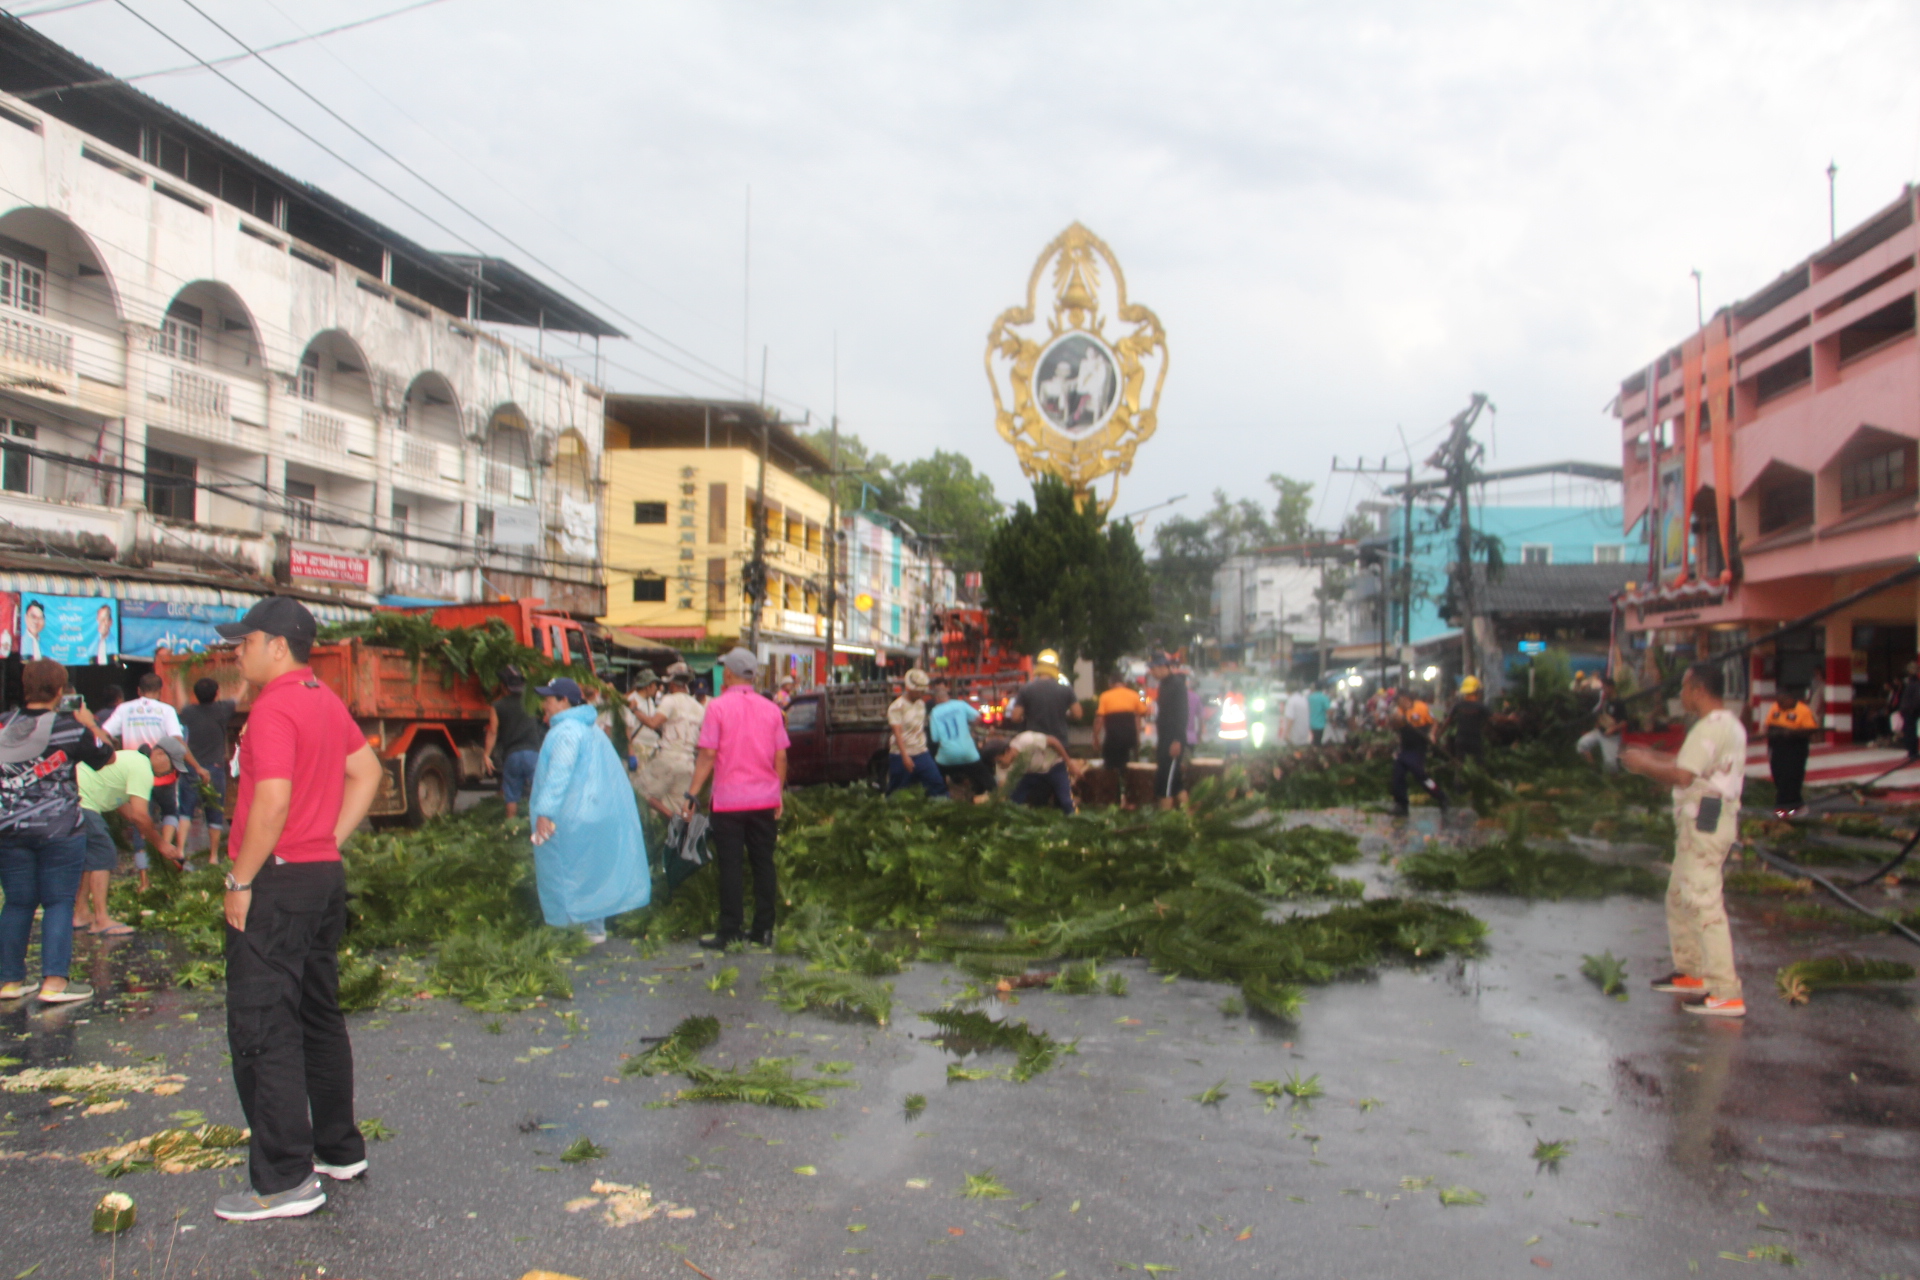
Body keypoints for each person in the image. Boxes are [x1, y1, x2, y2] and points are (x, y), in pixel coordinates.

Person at [208, 596, 384, 1222]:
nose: (237, 652)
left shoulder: (275, 707)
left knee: (263, 1023)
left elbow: (273, 802)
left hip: (277, 881)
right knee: (317, 1012)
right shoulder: (323, 697)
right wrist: (327, 841)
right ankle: (338, 1149)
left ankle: (284, 1179)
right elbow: (370, 773)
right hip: (320, 879)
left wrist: (240, 877)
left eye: (244, 642)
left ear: (276, 645)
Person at [1621, 662, 1749, 1018]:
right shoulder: (1726, 725)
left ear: (1697, 689)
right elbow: (1687, 765)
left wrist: (1641, 766)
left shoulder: (1712, 727)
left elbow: (1681, 775)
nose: (1680, 694)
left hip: (1706, 821)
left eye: (1683, 687)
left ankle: (1725, 990)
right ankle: (1691, 971)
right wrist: (1649, 756)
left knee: (1703, 899)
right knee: (1680, 894)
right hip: (1702, 819)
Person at [0, 659, 115, 1002]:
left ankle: (9, 981)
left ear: (26, 687)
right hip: (60, 829)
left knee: (17, 903)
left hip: (9, 829)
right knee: (58, 902)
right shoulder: (69, 727)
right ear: (61, 690)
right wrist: (89, 724)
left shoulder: (4, 724)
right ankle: (54, 982)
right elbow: (107, 756)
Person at [528, 676, 649, 948]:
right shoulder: (589, 728)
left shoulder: (567, 732)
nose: (543, 704)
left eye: (548, 699)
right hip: (591, 814)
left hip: (567, 818)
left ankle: (568, 931)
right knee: (589, 872)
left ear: (564, 701)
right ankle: (594, 928)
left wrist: (545, 811)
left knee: (565, 872)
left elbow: (560, 773)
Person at [685, 647, 789, 949]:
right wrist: (778, 795)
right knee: (763, 864)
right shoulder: (771, 709)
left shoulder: (717, 708)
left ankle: (730, 930)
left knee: (730, 866)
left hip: (729, 801)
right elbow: (780, 757)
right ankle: (763, 931)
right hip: (764, 800)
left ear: (728, 674)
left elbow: (707, 754)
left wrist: (692, 793)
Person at [74, 748, 169, 933]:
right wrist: (161, 844)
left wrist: (146, 832)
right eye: (171, 765)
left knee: (89, 857)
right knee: (104, 853)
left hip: (74, 794)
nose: (169, 772)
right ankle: (101, 920)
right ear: (158, 754)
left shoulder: (131, 761)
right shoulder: (143, 768)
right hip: (82, 800)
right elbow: (141, 815)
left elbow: (128, 811)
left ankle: (81, 913)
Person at [636, 664, 705, 818]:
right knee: (678, 805)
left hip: (668, 758)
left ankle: (669, 818)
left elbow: (654, 723)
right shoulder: (699, 708)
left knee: (640, 790)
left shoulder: (670, 700)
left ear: (673, 683)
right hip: (688, 762)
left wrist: (635, 711)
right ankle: (677, 828)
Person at [179, 677, 235, 864]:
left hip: (192, 767)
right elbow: (237, 697)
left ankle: (180, 851)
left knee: (185, 811)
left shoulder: (188, 712)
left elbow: (181, 703)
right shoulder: (222, 710)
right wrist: (244, 681)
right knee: (215, 813)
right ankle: (213, 857)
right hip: (215, 769)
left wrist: (178, 680)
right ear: (217, 694)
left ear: (195, 695)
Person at [483, 666, 546, 821]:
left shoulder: (497, 706)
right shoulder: (530, 702)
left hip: (512, 755)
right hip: (533, 753)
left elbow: (493, 732)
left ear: (504, 687)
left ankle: (511, 826)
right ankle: (540, 825)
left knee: (511, 795)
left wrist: (486, 755)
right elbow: (544, 719)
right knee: (539, 791)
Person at [886, 668, 949, 797]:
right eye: (919, 691)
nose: (922, 693)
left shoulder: (921, 704)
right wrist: (905, 757)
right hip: (901, 754)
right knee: (898, 790)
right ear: (910, 689)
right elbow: (897, 733)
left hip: (921, 752)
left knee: (937, 784)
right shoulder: (896, 707)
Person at [988, 728, 1082, 813]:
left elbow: (1054, 742)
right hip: (1031, 774)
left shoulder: (1026, 740)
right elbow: (1002, 787)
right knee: (1013, 803)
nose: (1000, 764)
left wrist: (1070, 764)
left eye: (1000, 761)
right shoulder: (1001, 766)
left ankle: (1076, 821)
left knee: (1066, 802)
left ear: (1007, 751)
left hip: (1055, 766)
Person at [1388, 689, 1448, 818]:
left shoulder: (1421, 707)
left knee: (1420, 775)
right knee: (1398, 773)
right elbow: (1394, 727)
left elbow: (1434, 722)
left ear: (1406, 699)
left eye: (1400, 701)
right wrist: (1395, 721)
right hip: (1405, 748)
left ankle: (1440, 795)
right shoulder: (1398, 711)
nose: (1399, 704)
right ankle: (1401, 804)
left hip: (1418, 747)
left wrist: (1432, 734)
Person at [929, 678, 990, 799]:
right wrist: (969, 727)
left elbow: (935, 738)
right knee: (984, 776)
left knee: (936, 775)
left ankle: (941, 798)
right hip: (968, 753)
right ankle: (986, 794)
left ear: (936, 699)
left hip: (947, 757)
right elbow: (978, 717)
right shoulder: (960, 704)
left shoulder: (934, 712)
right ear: (948, 696)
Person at [1763, 685, 1818, 818]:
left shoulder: (1803, 710)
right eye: (1778, 701)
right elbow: (1768, 724)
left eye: (1782, 702)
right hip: (1777, 747)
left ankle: (1783, 808)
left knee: (1791, 777)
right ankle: (1795, 806)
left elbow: (1811, 730)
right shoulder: (1775, 707)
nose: (1780, 705)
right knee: (1778, 775)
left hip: (1794, 748)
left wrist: (1792, 733)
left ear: (1790, 699)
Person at [103, 670, 184, 750]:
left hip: (132, 761)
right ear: (160, 691)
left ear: (138, 690)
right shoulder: (167, 710)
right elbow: (176, 740)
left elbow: (104, 733)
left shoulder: (123, 708)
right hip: (157, 761)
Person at [1148, 652, 1187, 811]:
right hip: (1165, 739)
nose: (1152, 673)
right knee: (1176, 782)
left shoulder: (1176, 685)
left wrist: (1177, 740)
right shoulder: (1163, 685)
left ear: (1163, 667)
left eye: (1153, 669)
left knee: (1165, 783)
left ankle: (1165, 823)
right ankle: (1188, 817)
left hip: (1173, 740)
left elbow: (1181, 714)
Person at [1094, 674, 1144, 796]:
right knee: (1129, 767)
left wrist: (1095, 737)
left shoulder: (1105, 696)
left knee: (1110, 768)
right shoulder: (1134, 695)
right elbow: (1140, 714)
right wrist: (1137, 737)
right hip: (1130, 738)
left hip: (1113, 738)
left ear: (1110, 685)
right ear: (1124, 684)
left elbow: (1100, 719)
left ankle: (1112, 797)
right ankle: (1130, 797)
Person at [1575, 675, 1627, 771]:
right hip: (1599, 732)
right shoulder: (1604, 701)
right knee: (1582, 745)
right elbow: (1599, 716)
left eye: (1605, 687)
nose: (1603, 689)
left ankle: (1613, 779)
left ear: (1611, 688)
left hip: (1611, 737)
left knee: (1610, 766)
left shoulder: (1619, 702)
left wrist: (1612, 729)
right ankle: (1594, 768)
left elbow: (1624, 722)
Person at [1443, 676, 1489, 765]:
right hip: (1475, 741)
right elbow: (1493, 720)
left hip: (1460, 740)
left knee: (1460, 764)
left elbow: (1447, 721)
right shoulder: (1480, 707)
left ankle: (1458, 778)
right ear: (1477, 691)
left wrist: (1437, 736)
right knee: (1478, 764)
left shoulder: (1458, 706)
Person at [1900, 662, 1920, 760]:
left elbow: (1916, 698)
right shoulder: (1913, 682)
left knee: (1910, 731)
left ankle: (1912, 751)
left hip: (1910, 711)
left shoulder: (1914, 683)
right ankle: (1912, 751)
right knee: (1910, 731)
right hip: (1910, 710)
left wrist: (1911, 709)